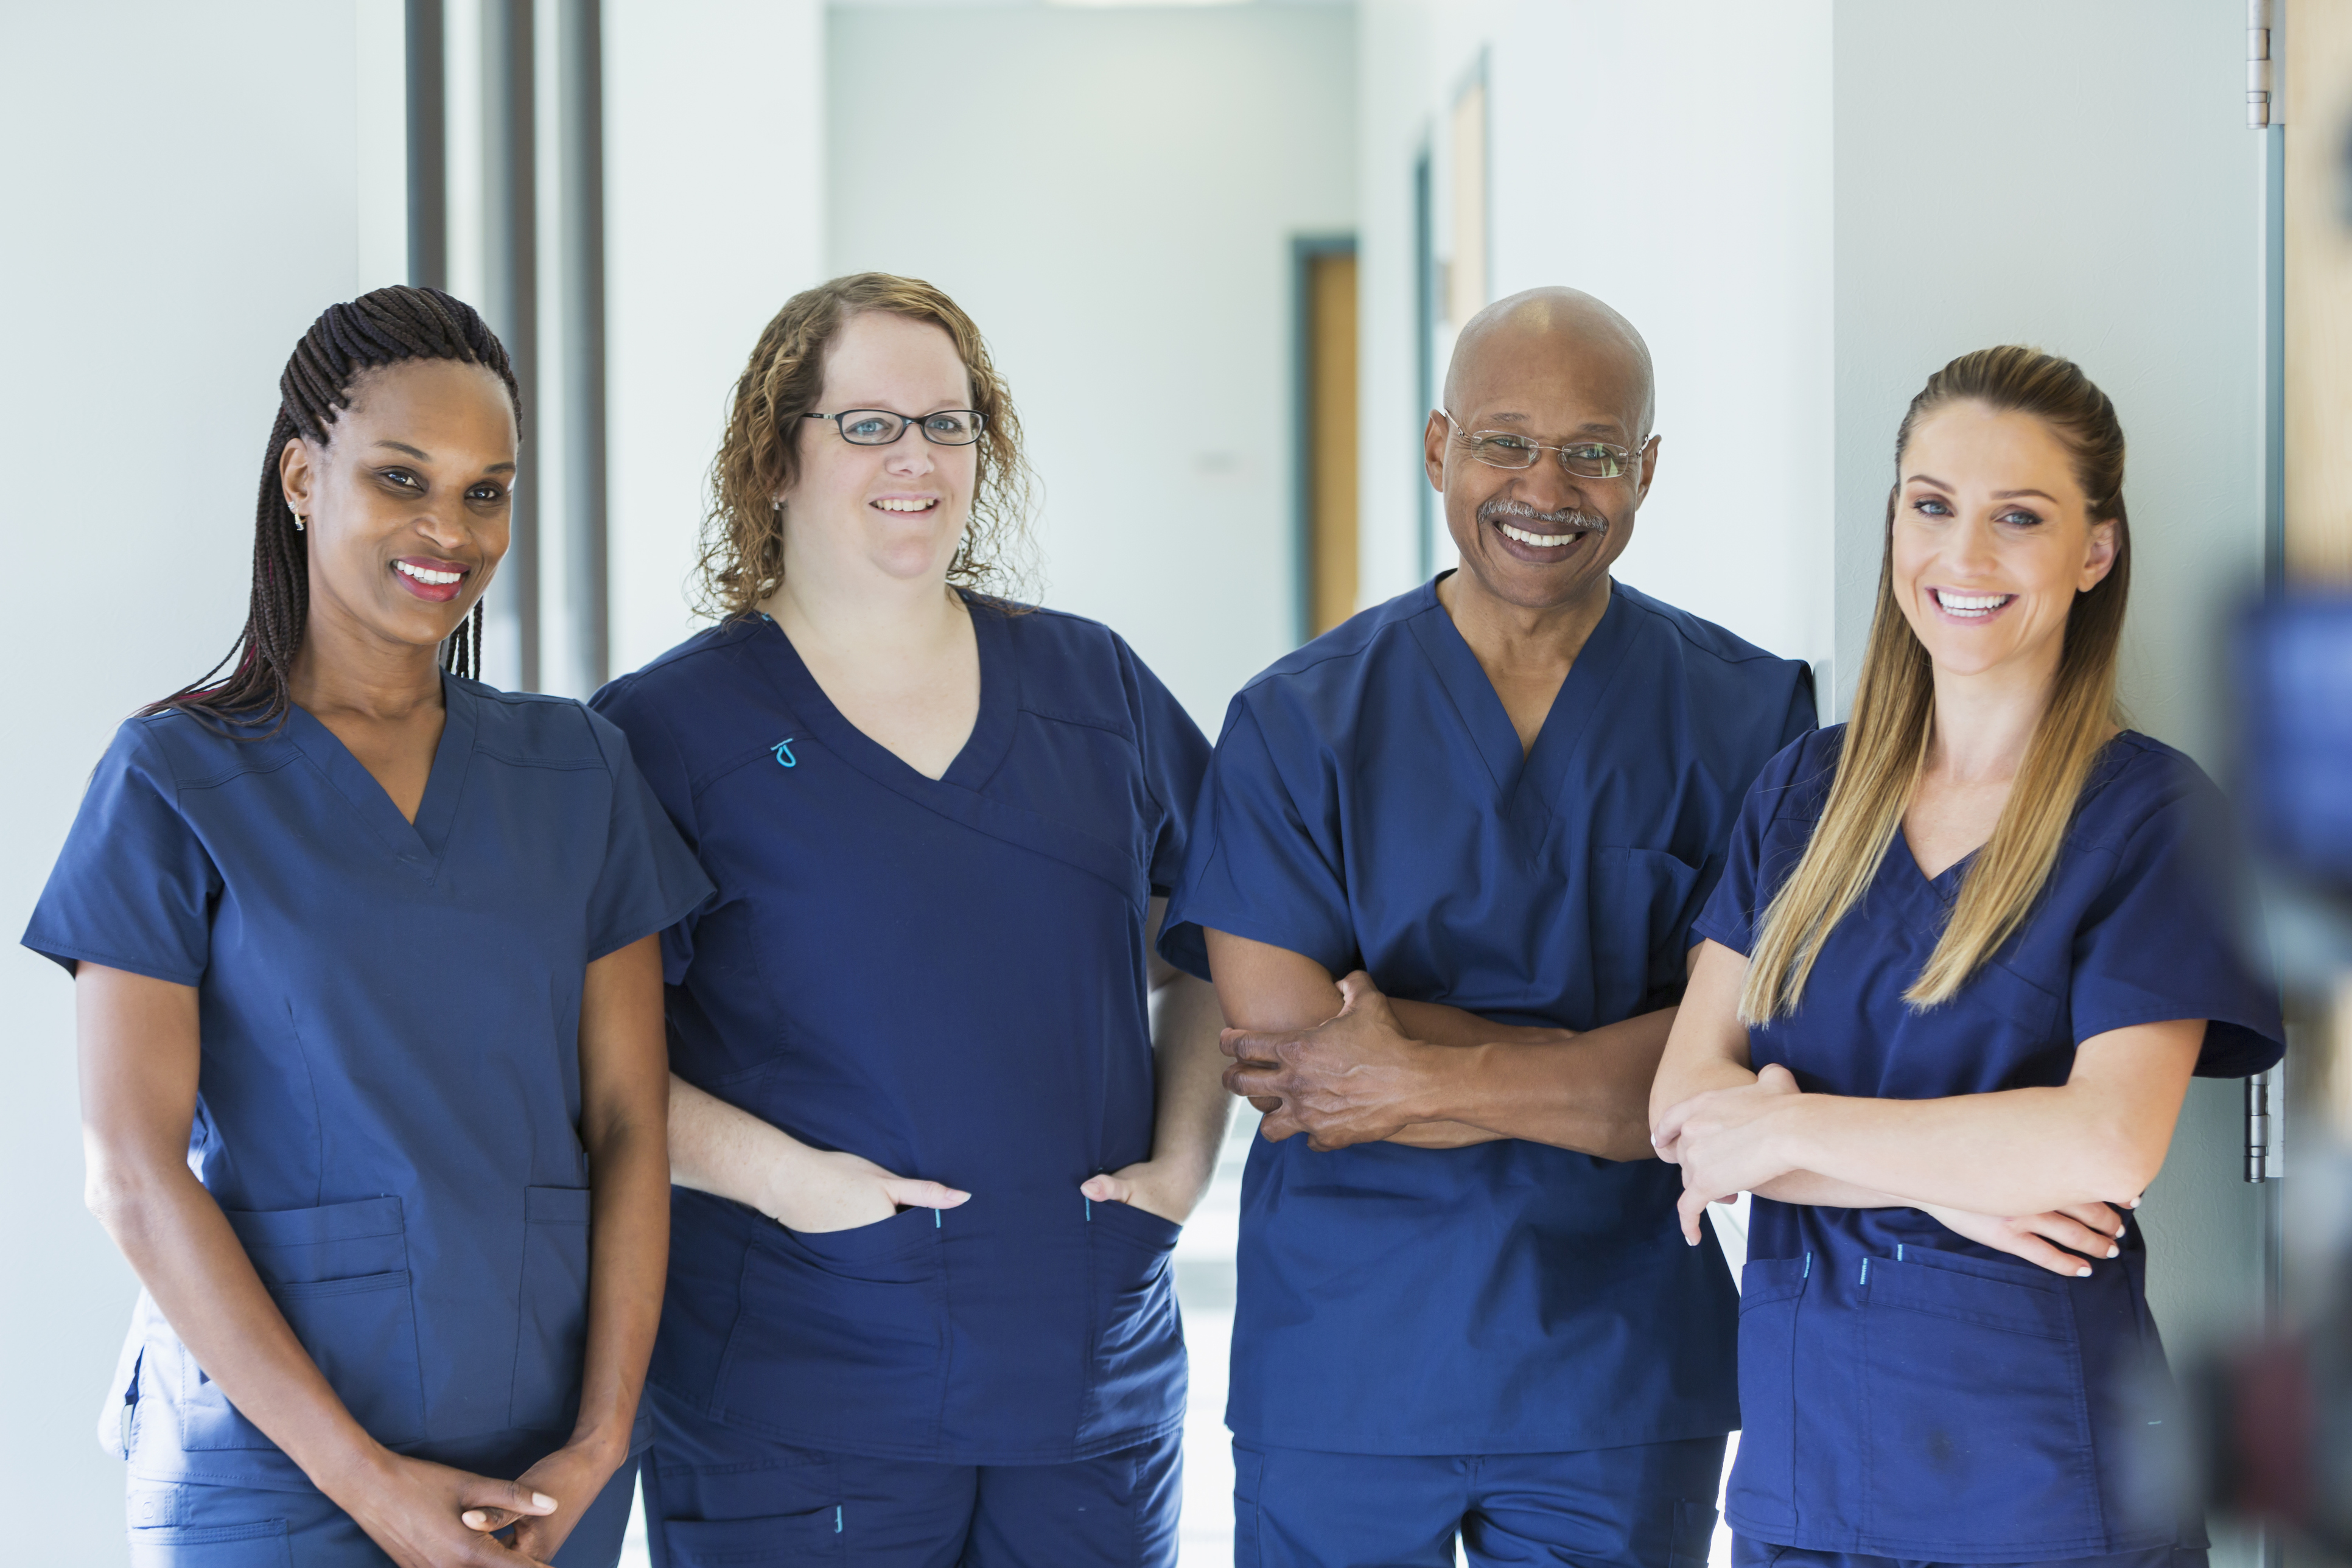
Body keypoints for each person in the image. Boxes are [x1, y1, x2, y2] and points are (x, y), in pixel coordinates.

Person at [24, 286, 711, 1566]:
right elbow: (130, 1167)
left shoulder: (579, 770)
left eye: (486, 490)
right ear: (302, 475)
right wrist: (372, 1483)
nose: (448, 528)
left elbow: (630, 1121)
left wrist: (603, 1434)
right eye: (404, 478)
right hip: (269, 1465)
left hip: (547, 1464)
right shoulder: (173, 779)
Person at [1169, 287, 1815, 1567]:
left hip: (1617, 1367)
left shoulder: (1750, 720)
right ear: (1435, 449)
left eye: (1593, 452)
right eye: (1504, 441)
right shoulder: (1297, 724)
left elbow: (1726, 1079)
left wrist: (1412, 1068)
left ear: (1646, 472)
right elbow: (1300, 1069)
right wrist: (1608, 1064)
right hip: (1350, 1360)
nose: (1546, 487)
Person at [591, 272, 1228, 1567]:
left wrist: (1185, 1163)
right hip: (799, 1385)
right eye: (869, 424)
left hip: (1084, 1380)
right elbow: (586, 1058)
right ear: (775, 458)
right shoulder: (666, 734)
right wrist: (790, 1182)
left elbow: (1222, 942)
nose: (917, 459)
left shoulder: (1089, 687)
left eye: (949, 424)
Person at [1650, 346, 2284, 1567]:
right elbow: (1684, 1107)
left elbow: (2105, 1144)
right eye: (1932, 504)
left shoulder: (2150, 818)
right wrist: (1952, 1175)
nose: (1966, 557)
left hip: (2043, 1488)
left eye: (2020, 518)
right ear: (1894, 518)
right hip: (1806, 1476)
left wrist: (1785, 1129)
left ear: (2096, 550)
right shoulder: (1803, 795)